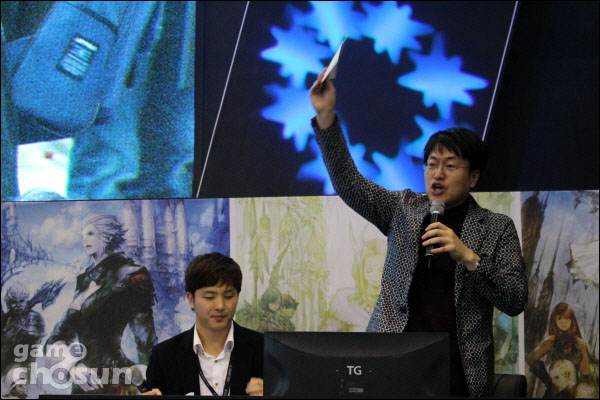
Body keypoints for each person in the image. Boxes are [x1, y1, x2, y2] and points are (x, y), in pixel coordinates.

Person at [309, 69, 528, 397]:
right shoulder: (403, 209)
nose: (437, 174)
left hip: (457, 375)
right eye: (431, 164)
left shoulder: (497, 228)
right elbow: (349, 183)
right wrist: (326, 117)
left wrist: (467, 256)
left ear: (473, 177)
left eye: (450, 166)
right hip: (390, 367)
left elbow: (515, 300)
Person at [46, 213, 157, 394]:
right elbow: (56, 338)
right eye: (83, 236)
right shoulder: (84, 280)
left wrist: (149, 384)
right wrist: (73, 366)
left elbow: (146, 340)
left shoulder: (131, 274)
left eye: (91, 233)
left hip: (116, 380)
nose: (85, 240)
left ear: (108, 235)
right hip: (82, 380)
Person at [144, 252, 263, 396]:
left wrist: (275, 394)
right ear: (191, 300)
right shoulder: (164, 356)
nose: (220, 306)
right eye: (209, 297)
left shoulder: (264, 349)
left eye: (228, 296)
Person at [526, 302, 592, 395]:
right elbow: (530, 359)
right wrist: (548, 380)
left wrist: (580, 390)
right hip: (553, 393)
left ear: (572, 320)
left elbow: (585, 374)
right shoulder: (550, 341)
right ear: (555, 320)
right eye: (560, 318)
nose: (563, 322)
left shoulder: (580, 344)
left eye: (567, 318)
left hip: (572, 393)